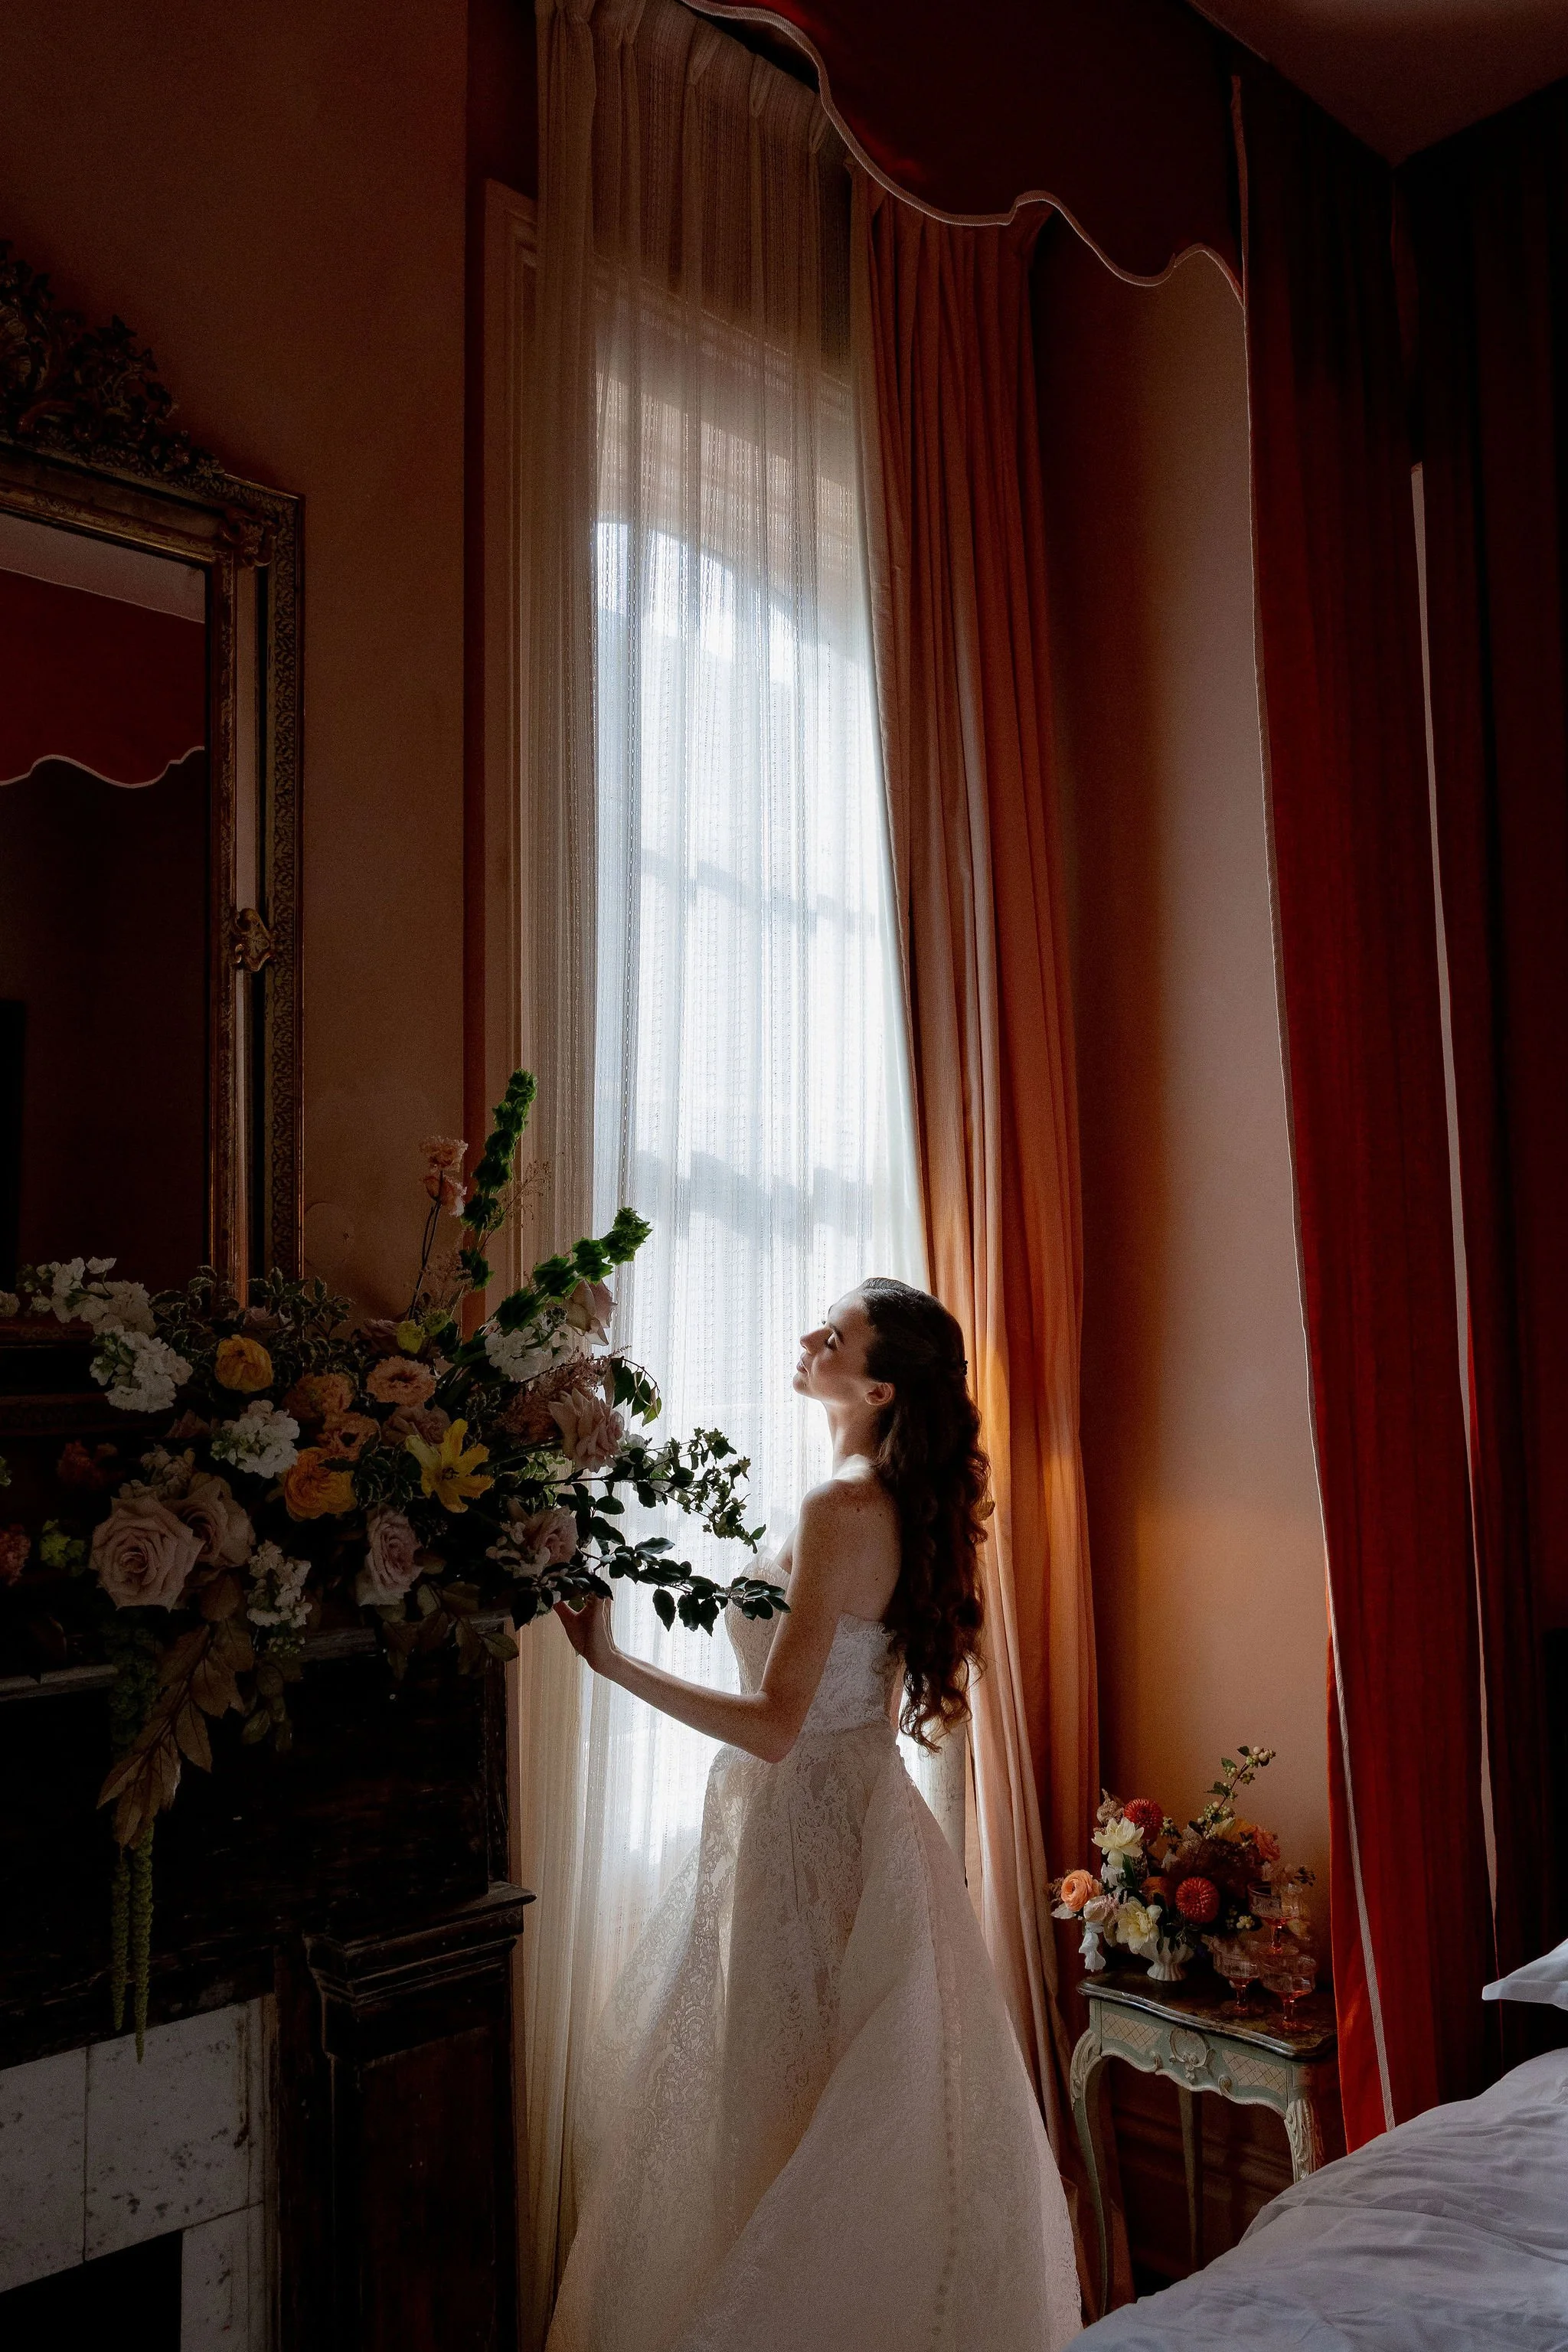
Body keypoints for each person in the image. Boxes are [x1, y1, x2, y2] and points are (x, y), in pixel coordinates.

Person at [547, 1277, 1083, 2351]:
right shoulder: (879, 1501)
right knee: (819, 2106)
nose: (806, 1336)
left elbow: (778, 1725)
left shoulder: (841, 1509)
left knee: (786, 2107)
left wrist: (610, 1661)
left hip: (810, 1834)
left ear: (878, 1385)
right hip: (854, 1824)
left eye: (831, 1336)